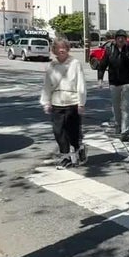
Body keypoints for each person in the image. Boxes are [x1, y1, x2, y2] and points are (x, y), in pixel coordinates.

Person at [41, 38, 86, 169]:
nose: (61, 50)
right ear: (54, 50)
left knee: (73, 131)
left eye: (64, 48)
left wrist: (81, 103)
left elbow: (81, 84)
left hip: (72, 102)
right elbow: (47, 85)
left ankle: (78, 149)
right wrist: (46, 102)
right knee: (58, 131)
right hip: (56, 103)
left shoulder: (75, 63)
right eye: (58, 48)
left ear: (68, 49)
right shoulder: (51, 66)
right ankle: (65, 156)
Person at [96, 29, 129, 140]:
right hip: (114, 83)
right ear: (115, 39)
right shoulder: (109, 50)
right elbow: (102, 66)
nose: (121, 39)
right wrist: (100, 79)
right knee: (116, 107)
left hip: (126, 83)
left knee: (125, 107)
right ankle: (118, 124)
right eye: (118, 37)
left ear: (126, 40)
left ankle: (124, 130)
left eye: (123, 37)